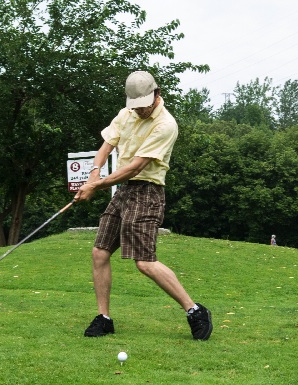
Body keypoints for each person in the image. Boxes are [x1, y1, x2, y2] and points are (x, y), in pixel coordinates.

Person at [74, 70, 213, 340]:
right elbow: (106, 146)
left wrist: (96, 185)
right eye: (134, 106)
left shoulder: (166, 125)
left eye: (144, 106)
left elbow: (136, 167)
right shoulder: (126, 113)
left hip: (147, 191)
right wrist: (93, 172)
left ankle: (195, 310)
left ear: (157, 94)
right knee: (100, 252)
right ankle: (104, 318)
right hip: (124, 191)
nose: (139, 111)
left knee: (144, 262)